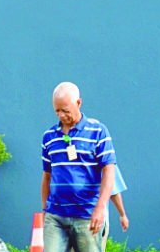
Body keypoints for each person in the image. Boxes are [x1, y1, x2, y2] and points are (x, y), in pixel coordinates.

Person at [40, 82, 116, 252]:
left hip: (86, 215)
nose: (61, 115)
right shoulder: (49, 137)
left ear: (78, 103)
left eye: (65, 110)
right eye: (57, 111)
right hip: (56, 217)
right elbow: (46, 176)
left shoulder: (98, 131)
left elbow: (109, 171)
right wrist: (45, 210)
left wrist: (100, 208)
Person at [101, 166, 129, 249]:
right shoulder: (104, 155)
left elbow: (112, 189)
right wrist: (122, 215)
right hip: (95, 219)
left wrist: (122, 214)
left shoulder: (105, 156)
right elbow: (113, 190)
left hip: (95, 219)